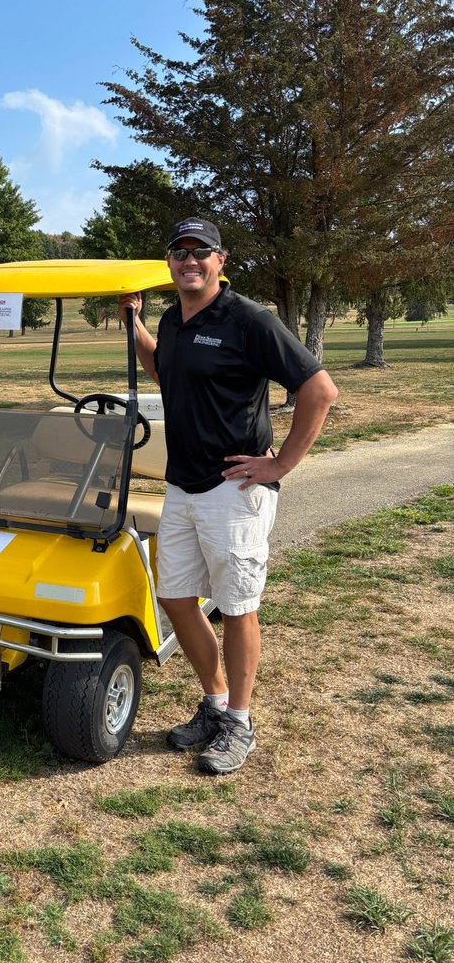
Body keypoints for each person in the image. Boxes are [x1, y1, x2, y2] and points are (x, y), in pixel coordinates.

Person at [118, 218, 337, 773]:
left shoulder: (248, 319)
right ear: (169, 261)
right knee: (174, 597)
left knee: (237, 608)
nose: (189, 260)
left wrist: (281, 462)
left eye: (201, 252)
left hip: (234, 489)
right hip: (181, 485)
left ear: (221, 260)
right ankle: (215, 703)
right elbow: (166, 371)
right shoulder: (173, 319)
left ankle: (239, 721)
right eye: (180, 252)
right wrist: (137, 326)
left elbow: (319, 389)